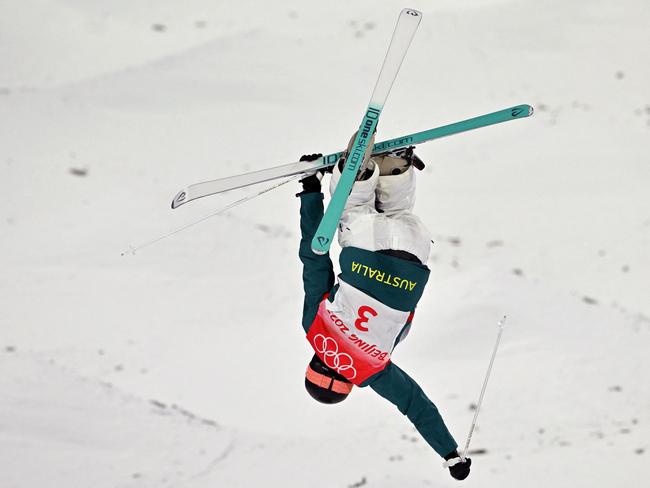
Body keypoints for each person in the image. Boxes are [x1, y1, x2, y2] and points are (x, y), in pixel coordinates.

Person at [296, 135, 471, 481]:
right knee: (354, 212)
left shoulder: (371, 371)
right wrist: (310, 191)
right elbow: (314, 260)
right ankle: (356, 177)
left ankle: (395, 169)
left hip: (413, 257)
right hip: (363, 250)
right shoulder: (313, 330)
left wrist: (451, 454)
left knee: (399, 214)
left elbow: (417, 407)